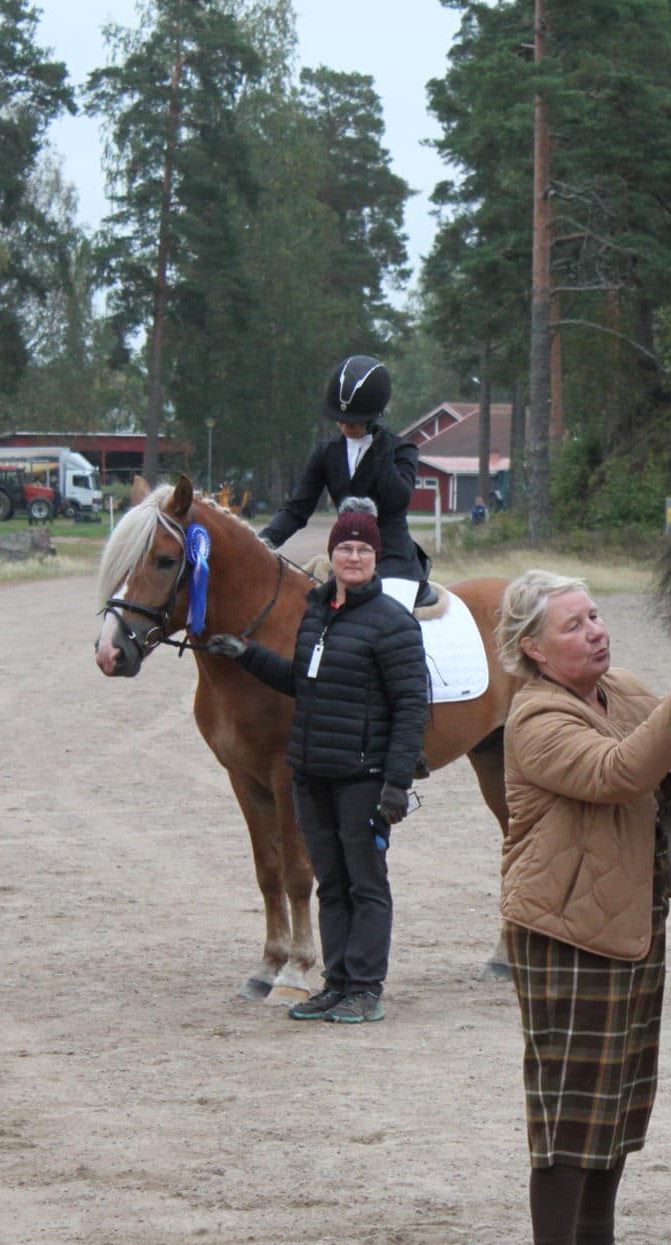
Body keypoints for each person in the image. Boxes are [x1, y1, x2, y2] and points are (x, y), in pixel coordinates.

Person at [494, 570, 671, 1245]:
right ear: (532, 647)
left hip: (630, 915)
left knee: (621, 1098)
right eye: (573, 624)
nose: (595, 629)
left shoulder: (615, 687)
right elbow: (620, 771)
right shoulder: (533, 716)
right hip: (563, 928)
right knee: (569, 1110)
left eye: (595, 615)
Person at [206, 499, 430, 1024]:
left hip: (363, 775)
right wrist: (247, 654)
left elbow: (410, 707)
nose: (353, 557)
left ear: (376, 558)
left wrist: (396, 783)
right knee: (330, 880)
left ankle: (367, 989)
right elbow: (300, 685)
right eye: (344, 548)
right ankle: (337, 983)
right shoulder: (317, 614)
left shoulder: (391, 623)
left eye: (363, 550)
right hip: (314, 773)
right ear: (331, 556)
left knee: (365, 883)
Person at [260, 354, 428, 609]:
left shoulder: (402, 451)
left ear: (374, 414)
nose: (345, 423)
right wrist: (264, 542)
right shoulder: (327, 452)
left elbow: (396, 502)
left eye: (355, 418)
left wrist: (382, 449)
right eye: (341, 417)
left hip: (392, 562)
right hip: (345, 561)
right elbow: (297, 509)